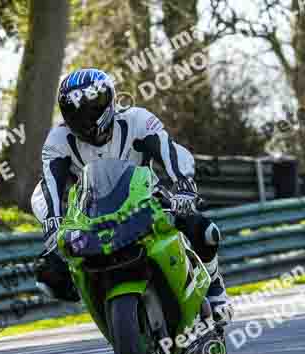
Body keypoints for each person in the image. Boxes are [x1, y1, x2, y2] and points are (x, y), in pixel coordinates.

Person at [31, 68, 233, 324]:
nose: (84, 118)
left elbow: (169, 151)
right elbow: (50, 184)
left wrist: (183, 185)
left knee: (205, 231)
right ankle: (102, 306)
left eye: (91, 109)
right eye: (75, 113)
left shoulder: (137, 120)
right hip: (90, 217)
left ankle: (215, 290)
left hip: (148, 202)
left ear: (108, 101)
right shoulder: (58, 140)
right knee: (49, 273)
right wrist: (52, 222)